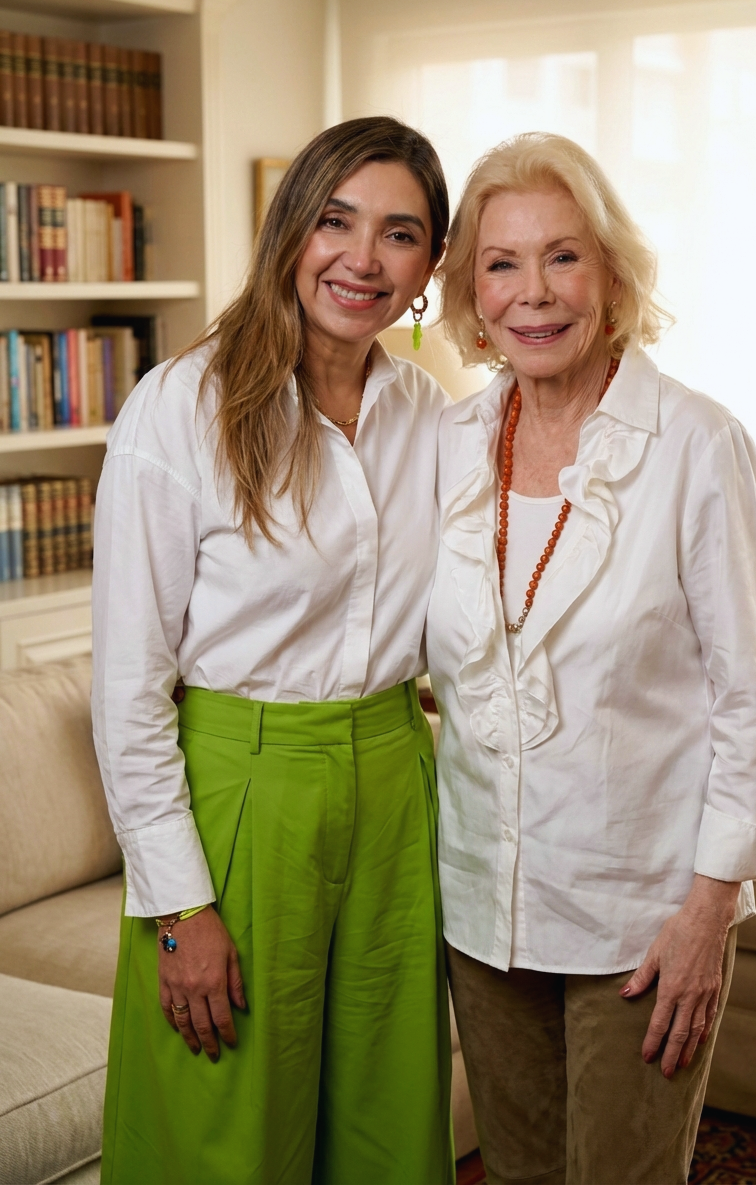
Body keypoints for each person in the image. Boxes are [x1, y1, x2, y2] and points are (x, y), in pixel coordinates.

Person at [425, 132, 756, 1185]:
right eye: (500, 263)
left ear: (611, 273)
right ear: (469, 289)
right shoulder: (448, 445)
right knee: (519, 1172)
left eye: (562, 256)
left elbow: (751, 703)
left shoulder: (694, 444)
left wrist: (705, 916)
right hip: (482, 907)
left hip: (639, 917)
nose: (531, 294)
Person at [91, 116, 455, 1185]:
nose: (362, 258)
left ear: (428, 266)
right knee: (224, 1131)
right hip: (240, 792)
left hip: (394, 785)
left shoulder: (424, 411)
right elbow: (126, 692)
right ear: (290, 227)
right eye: (336, 221)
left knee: (387, 1123)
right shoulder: (181, 409)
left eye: (400, 233)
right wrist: (178, 907)